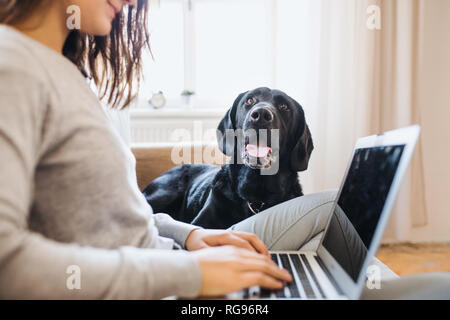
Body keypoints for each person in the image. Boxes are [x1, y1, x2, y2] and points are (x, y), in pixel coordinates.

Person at [0, 0, 448, 300]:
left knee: (345, 244)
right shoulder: (14, 64)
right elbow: (8, 263)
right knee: (427, 286)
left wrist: (190, 235)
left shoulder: (68, 76)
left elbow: (115, 218)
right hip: (174, 286)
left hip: (177, 261)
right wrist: (194, 273)